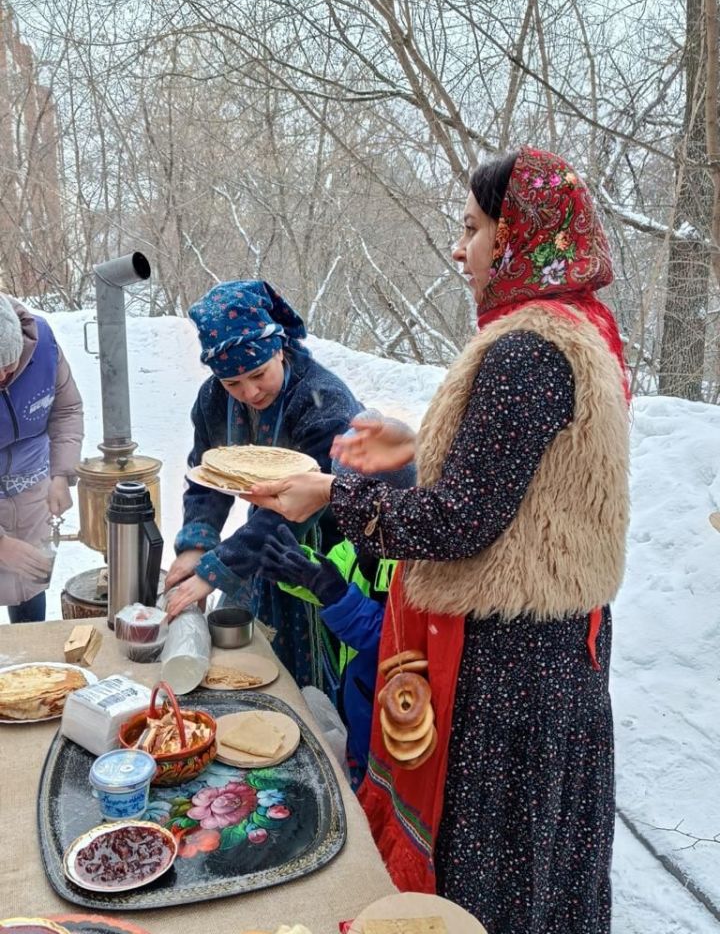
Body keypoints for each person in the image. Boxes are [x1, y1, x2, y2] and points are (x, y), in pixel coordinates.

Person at [240, 147, 630, 933]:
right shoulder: (576, 330)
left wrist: (331, 493)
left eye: (474, 227)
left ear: (519, 236)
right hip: (552, 657)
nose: (461, 248)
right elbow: (531, 482)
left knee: (494, 879)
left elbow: (458, 523)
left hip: (513, 672)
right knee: (539, 874)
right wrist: (415, 449)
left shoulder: (526, 353)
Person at [164, 279, 363, 692]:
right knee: (249, 658)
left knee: (320, 672)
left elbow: (298, 508)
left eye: (258, 375)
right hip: (263, 535)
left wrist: (215, 571)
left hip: (331, 549)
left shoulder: (322, 400)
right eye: (232, 383)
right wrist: (197, 545)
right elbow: (208, 477)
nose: (249, 392)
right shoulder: (214, 399)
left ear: (278, 348)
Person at [258, 439, 415, 789]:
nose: (342, 514)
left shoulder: (415, 565)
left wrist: (334, 594)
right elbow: (337, 579)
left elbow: (397, 644)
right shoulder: (357, 544)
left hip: (398, 718)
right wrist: (301, 571)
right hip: (359, 701)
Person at [0, 294, 84, 623]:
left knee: (27, 583)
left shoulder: (43, 346)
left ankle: (33, 665)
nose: (4, 378)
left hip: (31, 485)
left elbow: (67, 410)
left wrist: (61, 475)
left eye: (9, 366)